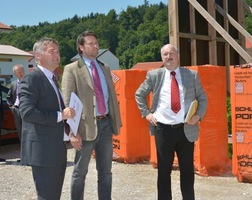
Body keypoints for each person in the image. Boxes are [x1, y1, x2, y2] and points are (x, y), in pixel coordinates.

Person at [135, 44, 208, 200]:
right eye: (165, 54)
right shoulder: (154, 75)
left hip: (185, 130)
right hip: (163, 130)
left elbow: (202, 98)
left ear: (178, 55)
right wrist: (146, 114)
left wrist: (198, 115)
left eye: (171, 53)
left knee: (187, 171)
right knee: (163, 172)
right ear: (162, 57)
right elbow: (139, 94)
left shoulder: (191, 75)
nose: (168, 57)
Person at [62, 31, 122, 200]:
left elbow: (110, 97)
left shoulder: (104, 68)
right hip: (84, 128)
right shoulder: (71, 69)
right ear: (81, 47)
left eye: (96, 43)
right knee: (80, 172)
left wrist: (114, 122)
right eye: (90, 43)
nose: (95, 46)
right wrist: (73, 132)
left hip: (105, 125)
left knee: (106, 172)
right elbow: (68, 104)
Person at [18, 37, 75, 200]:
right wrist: (61, 115)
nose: (57, 55)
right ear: (38, 56)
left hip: (56, 149)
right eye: (52, 51)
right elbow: (27, 112)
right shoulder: (32, 79)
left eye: (58, 52)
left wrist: (70, 130)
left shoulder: (52, 80)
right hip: (43, 151)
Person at [6, 64, 25, 150]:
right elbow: (8, 97)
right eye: (18, 71)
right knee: (20, 132)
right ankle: (24, 155)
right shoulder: (13, 84)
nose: (20, 73)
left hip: (27, 110)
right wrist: (12, 108)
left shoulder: (29, 82)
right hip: (17, 110)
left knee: (29, 131)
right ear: (15, 73)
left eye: (22, 71)